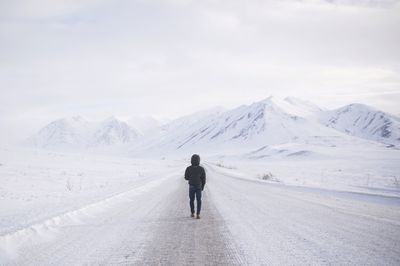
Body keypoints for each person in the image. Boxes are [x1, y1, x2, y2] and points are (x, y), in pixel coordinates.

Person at [184, 154, 206, 219]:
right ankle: (198, 214)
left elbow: (186, 178)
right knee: (199, 200)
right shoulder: (201, 169)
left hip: (191, 186)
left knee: (191, 200)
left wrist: (191, 178)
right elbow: (203, 179)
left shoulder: (188, 168)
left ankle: (192, 213)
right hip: (199, 186)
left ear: (191, 160)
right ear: (198, 160)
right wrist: (202, 187)